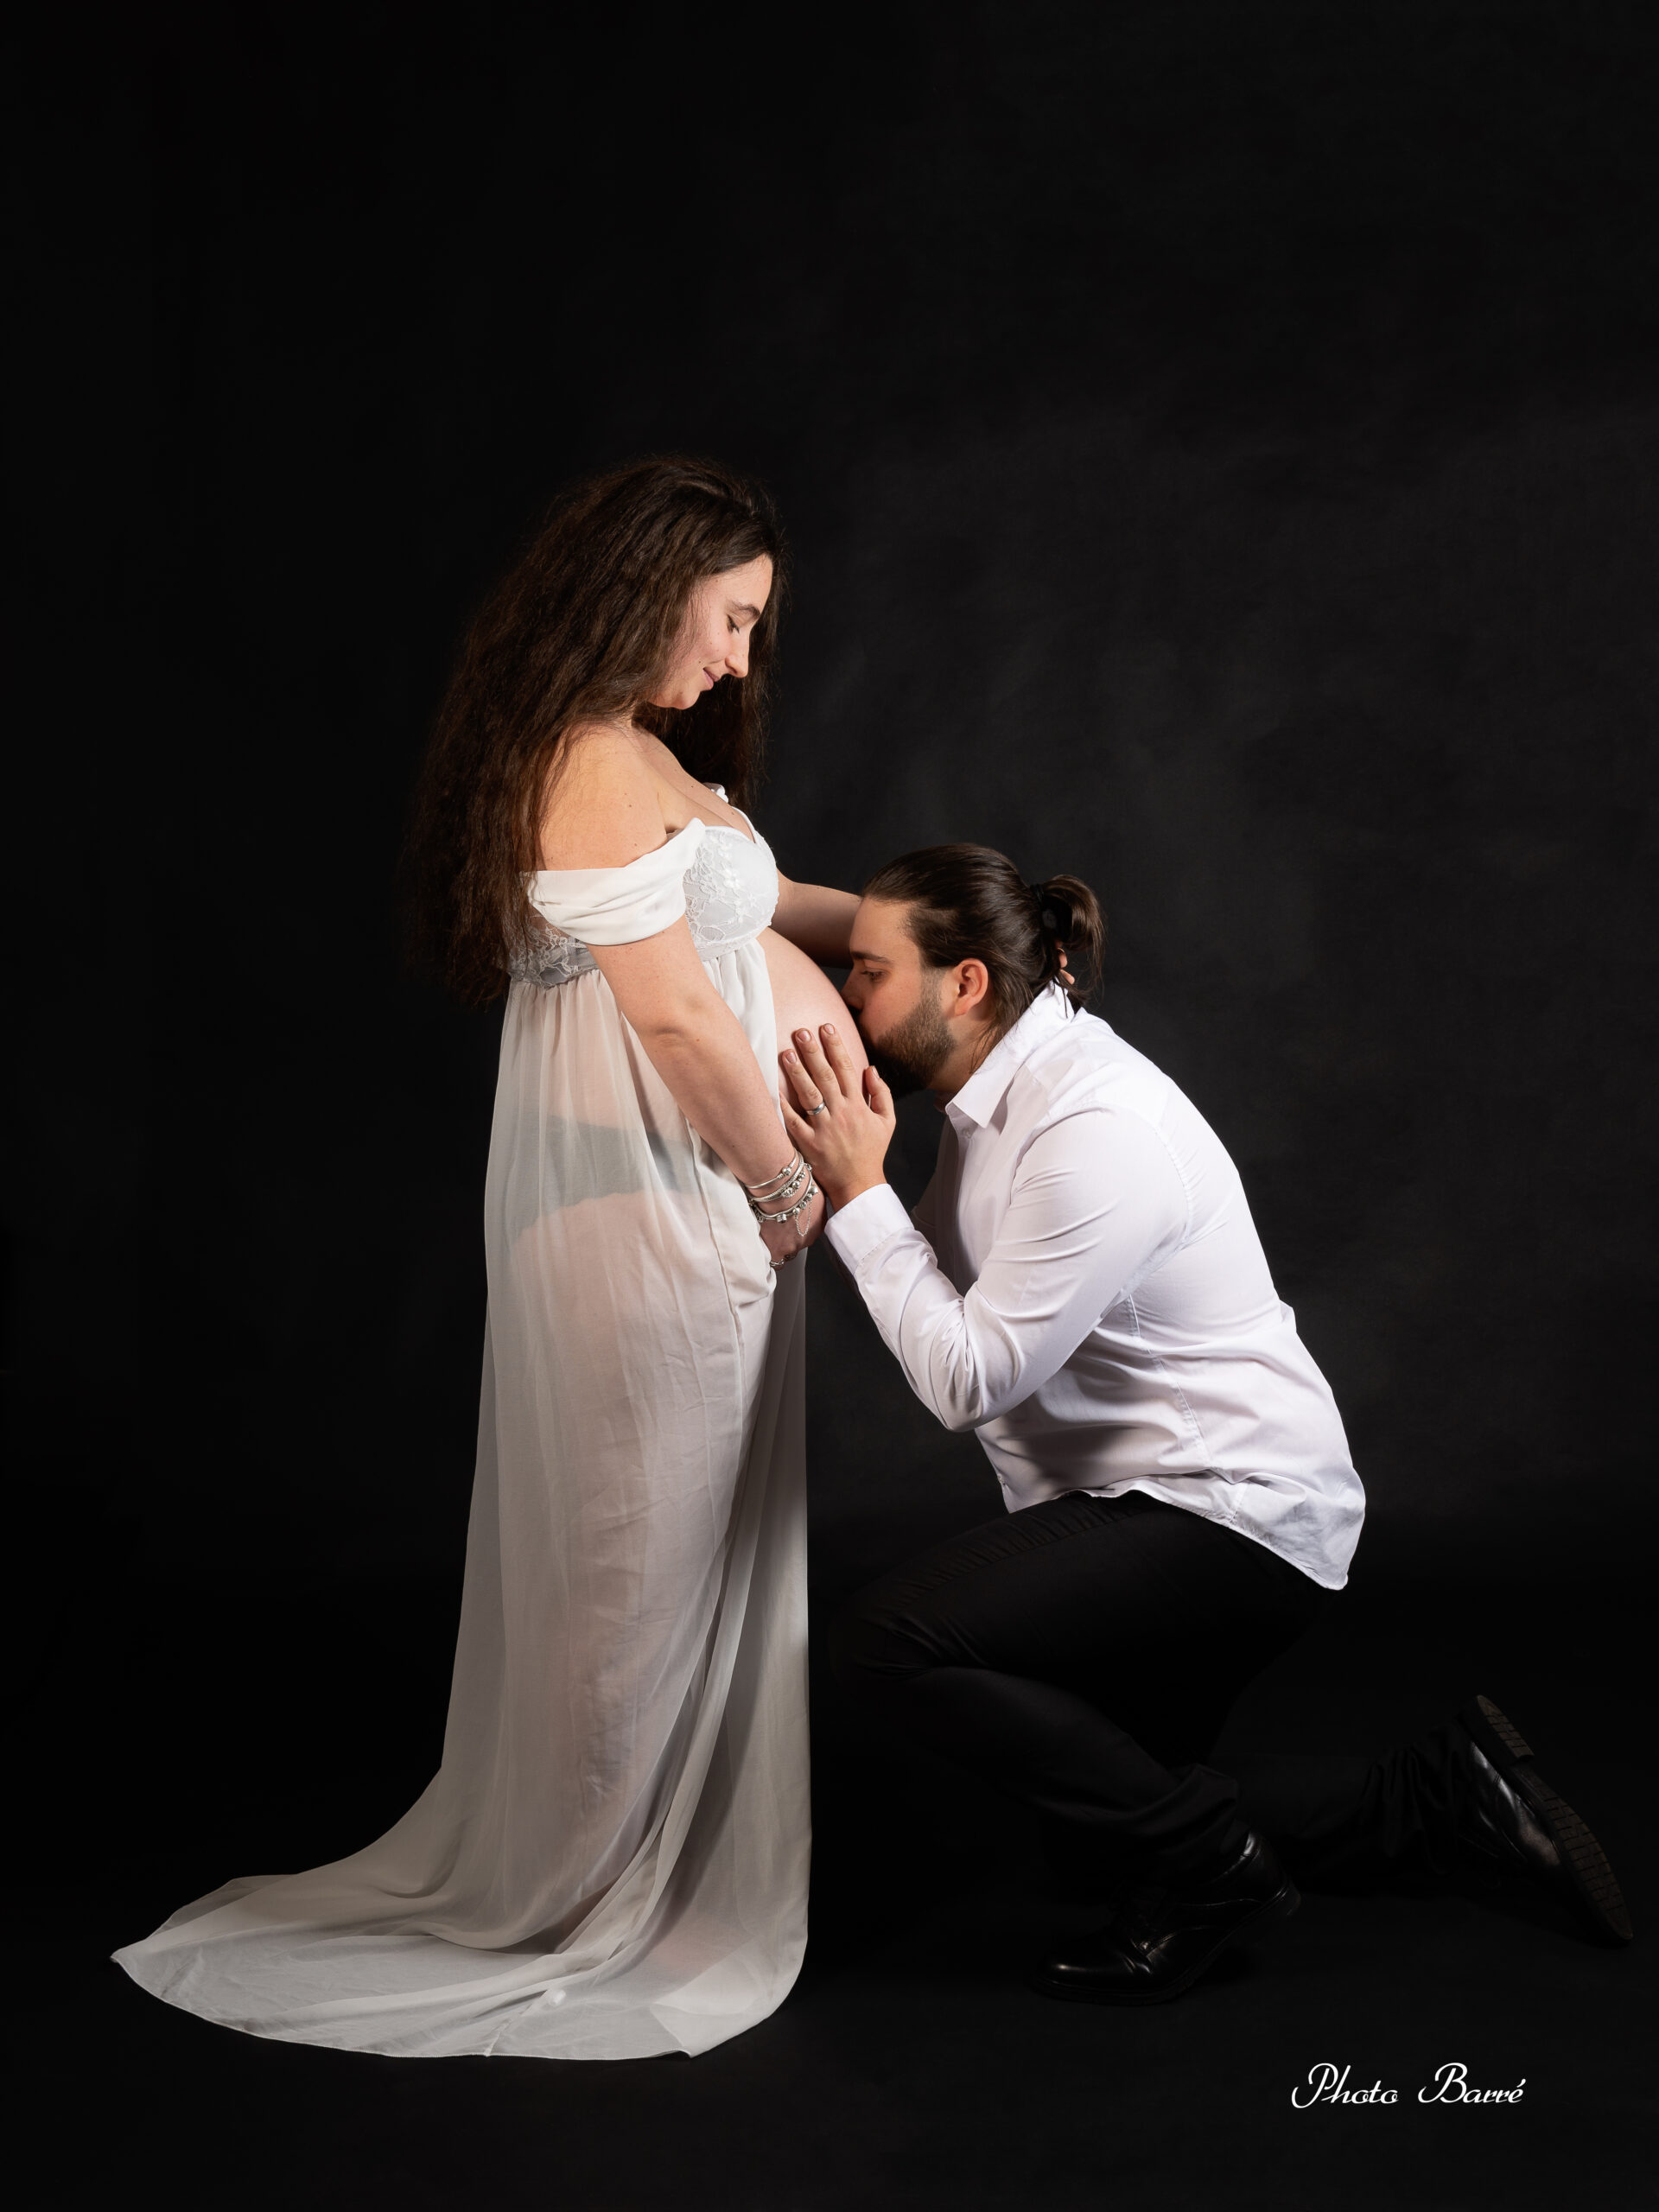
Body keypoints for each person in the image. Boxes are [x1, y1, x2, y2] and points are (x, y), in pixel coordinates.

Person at [114, 457, 865, 2060]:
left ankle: (655, 1860)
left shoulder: (643, 753)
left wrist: (942, 942)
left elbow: (763, 905)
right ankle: (584, 1884)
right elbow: (675, 1015)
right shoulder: (585, 760)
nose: (742, 656)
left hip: (707, 1199)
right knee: (635, 1556)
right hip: (657, 1203)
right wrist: (784, 1187)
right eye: (732, 618)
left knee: (689, 1544)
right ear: (649, 587)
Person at [779, 843, 1633, 2005]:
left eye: (869, 972)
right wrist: (818, 1191)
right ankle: (1436, 1802)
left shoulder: (1094, 1126)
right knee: (1092, 1840)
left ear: (965, 983)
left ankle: (1211, 1863)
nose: (847, 996)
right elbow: (934, 1277)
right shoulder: (994, 1097)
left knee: (886, 1645)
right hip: (1136, 1502)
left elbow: (967, 1374)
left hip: (1226, 1514)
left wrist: (858, 1191)